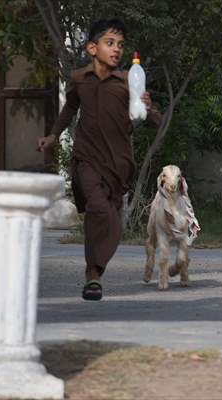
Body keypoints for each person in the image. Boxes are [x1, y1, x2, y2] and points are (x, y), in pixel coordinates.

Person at [37, 18, 161, 301]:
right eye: (110, 43)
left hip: (119, 165)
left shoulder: (127, 81)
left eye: (120, 45)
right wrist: (53, 136)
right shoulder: (80, 79)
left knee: (110, 223)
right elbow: (69, 108)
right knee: (98, 209)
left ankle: (95, 272)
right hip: (87, 159)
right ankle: (92, 275)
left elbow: (153, 119)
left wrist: (149, 109)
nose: (116, 49)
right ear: (92, 48)